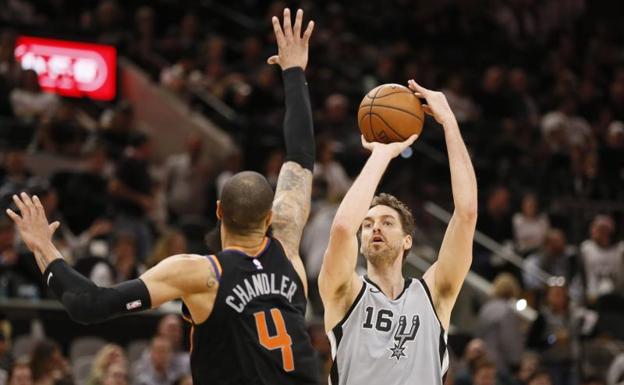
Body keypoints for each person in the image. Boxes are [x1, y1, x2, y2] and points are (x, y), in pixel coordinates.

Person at [7, 8, 319, 385]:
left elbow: (88, 306)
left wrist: (43, 247)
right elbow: (300, 157)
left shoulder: (200, 273)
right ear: (269, 218)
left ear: (218, 211)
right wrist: (294, 70)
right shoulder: (288, 253)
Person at [318, 80, 478, 385]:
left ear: (408, 241)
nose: (375, 227)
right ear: (361, 242)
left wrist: (448, 121)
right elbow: (341, 229)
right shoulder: (345, 292)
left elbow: (467, 213)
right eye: (367, 224)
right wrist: (381, 154)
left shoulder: (434, 294)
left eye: (387, 222)